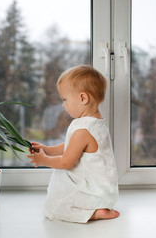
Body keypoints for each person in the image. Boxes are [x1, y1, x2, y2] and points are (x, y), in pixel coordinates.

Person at [28, 65, 119, 223]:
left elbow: (65, 162)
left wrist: (43, 160)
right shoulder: (94, 123)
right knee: (62, 185)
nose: (63, 104)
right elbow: (70, 146)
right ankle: (99, 208)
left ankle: (95, 212)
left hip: (94, 192)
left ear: (83, 98)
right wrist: (47, 150)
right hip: (103, 189)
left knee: (55, 205)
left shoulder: (83, 130)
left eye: (65, 99)